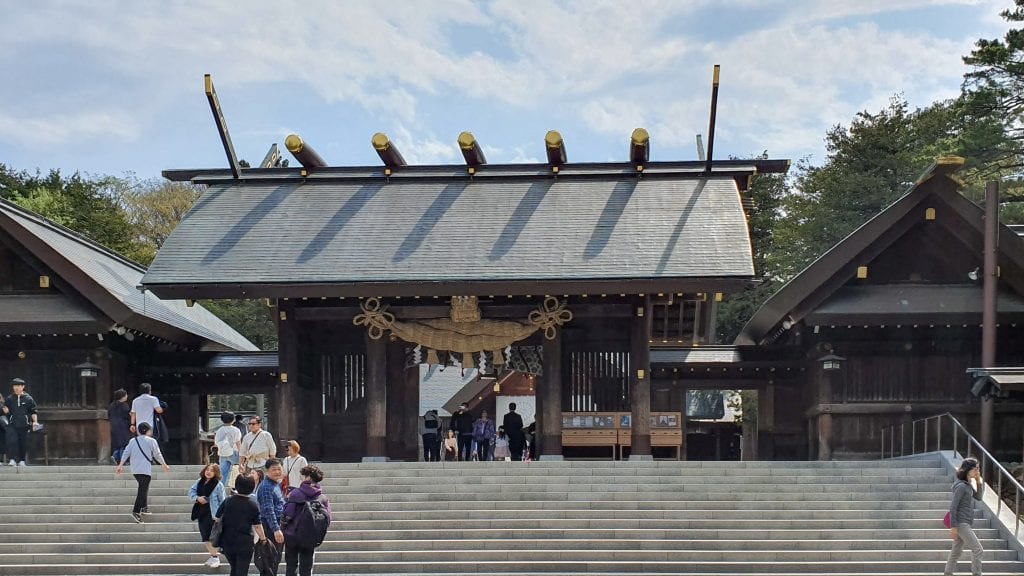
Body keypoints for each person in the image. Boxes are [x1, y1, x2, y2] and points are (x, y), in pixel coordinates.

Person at [282, 464, 333, 576]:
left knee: (291, 566)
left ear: (308, 477)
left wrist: (283, 527)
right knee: (307, 567)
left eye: (303, 476)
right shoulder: (323, 498)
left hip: (293, 535)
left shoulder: (295, 493)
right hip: (310, 536)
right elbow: (328, 518)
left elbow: (288, 514)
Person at [115, 421, 170, 522]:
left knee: (143, 487)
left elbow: (126, 452)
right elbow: (157, 454)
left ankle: (144, 507)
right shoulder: (152, 441)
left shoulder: (132, 441)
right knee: (142, 489)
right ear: (148, 430)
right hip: (145, 469)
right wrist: (164, 465)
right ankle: (136, 511)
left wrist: (120, 465)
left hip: (135, 469)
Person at [217, 472, 269, 576]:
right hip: (244, 542)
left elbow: (217, 518)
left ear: (236, 485)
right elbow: (257, 525)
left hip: (227, 541)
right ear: (252, 487)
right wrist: (263, 539)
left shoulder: (228, 501)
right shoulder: (253, 505)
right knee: (242, 570)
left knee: (234, 568)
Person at [945, 456, 986, 576]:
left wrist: (978, 481)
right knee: (978, 549)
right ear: (968, 469)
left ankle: (948, 572)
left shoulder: (967, 485)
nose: (978, 471)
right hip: (961, 523)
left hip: (964, 522)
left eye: (979, 469)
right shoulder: (962, 486)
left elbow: (978, 497)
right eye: (976, 469)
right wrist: (953, 527)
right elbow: (953, 507)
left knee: (956, 551)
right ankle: (977, 573)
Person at [189, 463, 226, 568]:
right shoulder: (199, 482)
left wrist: (221, 515)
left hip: (213, 514)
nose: (208, 472)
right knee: (205, 536)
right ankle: (213, 556)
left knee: (211, 537)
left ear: (216, 473)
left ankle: (215, 557)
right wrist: (197, 498)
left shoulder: (218, 485)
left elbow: (222, 501)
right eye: (207, 469)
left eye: (212, 470)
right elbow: (191, 492)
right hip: (201, 512)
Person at [256, 458, 287, 576]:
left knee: (274, 561)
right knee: (269, 562)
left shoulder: (275, 484)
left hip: (277, 525)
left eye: (279, 469)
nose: (277, 472)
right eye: (274, 469)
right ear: (267, 471)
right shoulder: (266, 487)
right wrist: (276, 529)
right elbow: (268, 510)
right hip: (270, 528)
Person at [3, 378, 38, 467]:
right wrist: (5, 410)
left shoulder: (28, 398)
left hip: (24, 424)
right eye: (15, 386)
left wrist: (35, 422)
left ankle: (22, 460)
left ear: (23, 387)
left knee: (23, 442)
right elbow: (5, 409)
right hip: (12, 424)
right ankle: (12, 459)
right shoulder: (9, 398)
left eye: (18, 386)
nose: (16, 388)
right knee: (12, 441)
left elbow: (33, 411)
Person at [215, 411, 242, 489]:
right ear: (233, 419)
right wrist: (242, 454)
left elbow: (216, 443)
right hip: (234, 452)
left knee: (223, 473)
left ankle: (221, 488)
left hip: (223, 453)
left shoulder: (219, 430)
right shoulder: (236, 430)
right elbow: (238, 442)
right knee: (236, 471)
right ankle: (236, 487)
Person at [108, 389, 132, 465]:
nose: (127, 396)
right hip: (123, 426)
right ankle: (121, 459)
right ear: (122, 397)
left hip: (114, 426)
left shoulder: (111, 405)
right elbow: (128, 416)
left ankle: (116, 456)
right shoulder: (124, 405)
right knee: (124, 443)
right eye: (125, 395)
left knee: (117, 443)